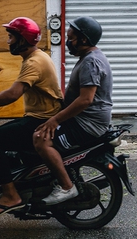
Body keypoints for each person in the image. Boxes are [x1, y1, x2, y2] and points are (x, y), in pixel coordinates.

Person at [0, 17, 63, 219]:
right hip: (39, 116)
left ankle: (11, 195)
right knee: (3, 137)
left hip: (41, 121)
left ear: (23, 39)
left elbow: (13, 94)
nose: (8, 41)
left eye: (11, 37)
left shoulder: (34, 62)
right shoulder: (35, 57)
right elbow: (16, 88)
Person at [33, 16, 113, 205]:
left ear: (84, 39)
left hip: (87, 124)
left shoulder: (90, 62)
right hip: (83, 120)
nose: (68, 42)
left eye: (71, 38)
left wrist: (55, 120)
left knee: (41, 139)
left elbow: (86, 99)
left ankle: (66, 187)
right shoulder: (89, 58)